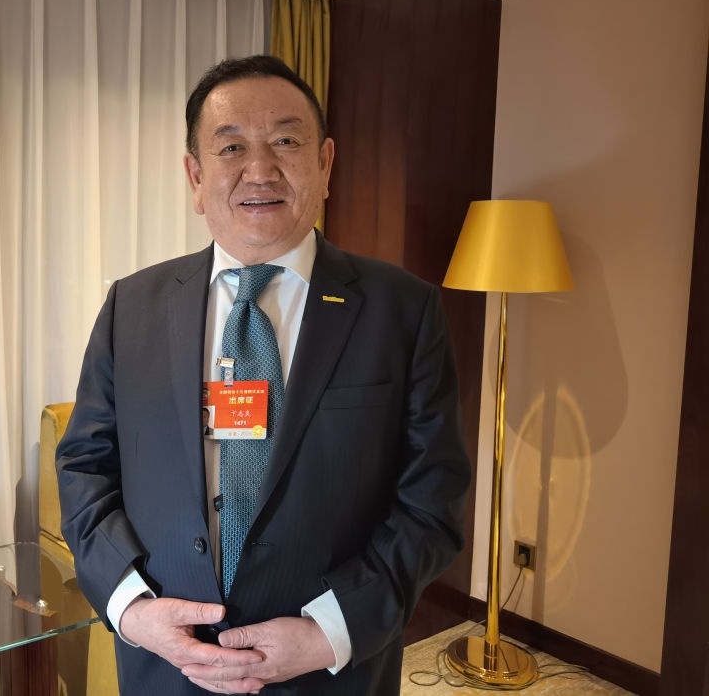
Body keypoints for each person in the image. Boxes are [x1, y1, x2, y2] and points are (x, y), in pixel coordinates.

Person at [56, 55, 471, 695]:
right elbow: (85, 467)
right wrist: (131, 608)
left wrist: (331, 631)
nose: (260, 169)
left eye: (285, 141)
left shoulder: (403, 310)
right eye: (231, 147)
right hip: (168, 669)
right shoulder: (131, 307)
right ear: (196, 177)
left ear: (325, 164)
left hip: (331, 674)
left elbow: (432, 497)